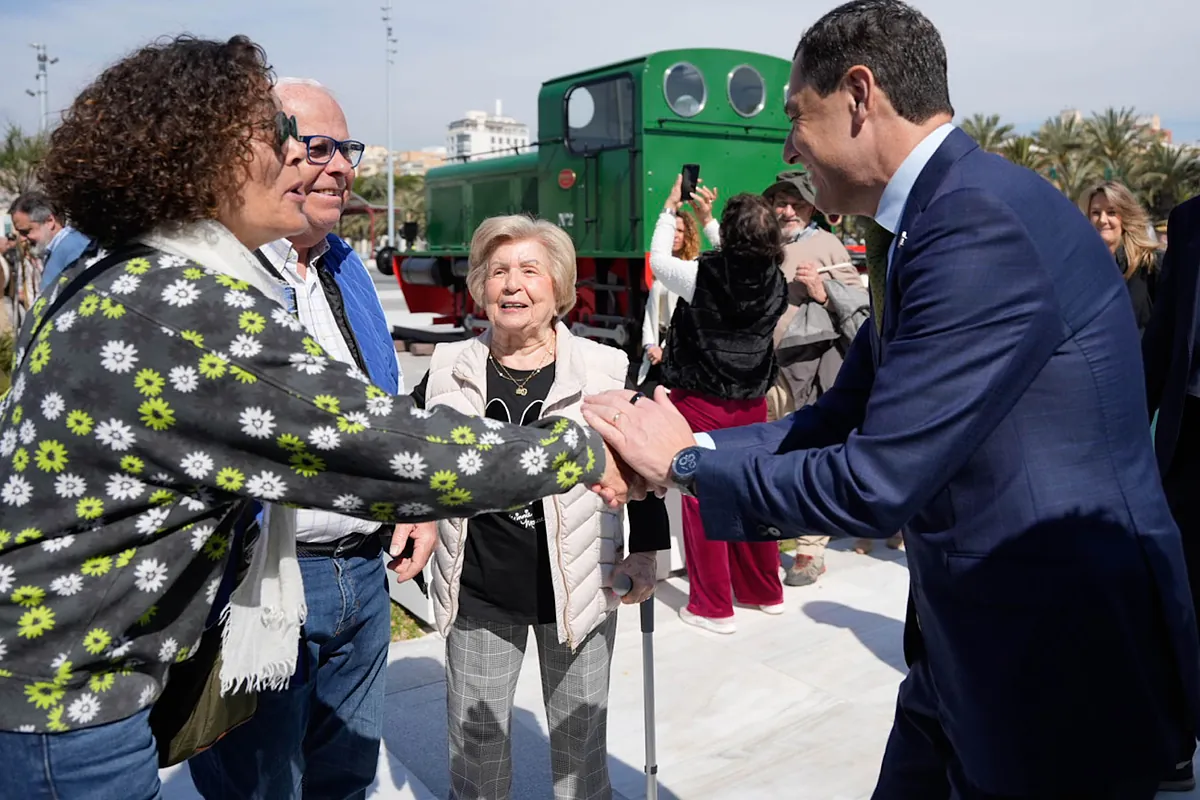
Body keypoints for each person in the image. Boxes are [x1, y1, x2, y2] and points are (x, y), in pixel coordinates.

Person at [583, 2, 1200, 797]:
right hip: (966, 647)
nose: (787, 148)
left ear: (858, 95)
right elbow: (837, 416)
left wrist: (683, 466)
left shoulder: (977, 223)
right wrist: (678, 455)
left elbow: (877, 480)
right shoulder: (931, 222)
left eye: (796, 118)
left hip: (1055, 661)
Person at [0, 35, 632, 800]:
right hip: (64, 707)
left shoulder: (118, 272)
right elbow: (385, 446)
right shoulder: (184, 307)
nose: (296, 157)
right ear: (210, 156)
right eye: (278, 137)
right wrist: (578, 451)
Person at [186, 78, 414, 800]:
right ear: (258, 156)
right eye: (318, 148)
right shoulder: (218, 277)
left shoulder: (346, 267)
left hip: (364, 578)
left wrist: (420, 502)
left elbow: (386, 405)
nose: (342, 167)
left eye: (348, 149)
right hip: (260, 586)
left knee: (345, 778)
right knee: (260, 786)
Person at [406, 214, 665, 800]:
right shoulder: (448, 369)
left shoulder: (605, 369)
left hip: (578, 586)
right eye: (498, 271)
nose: (512, 285)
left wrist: (647, 550)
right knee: (476, 760)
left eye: (529, 270)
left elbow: (642, 470)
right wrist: (412, 511)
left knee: (580, 759)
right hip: (477, 588)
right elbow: (412, 453)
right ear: (479, 285)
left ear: (559, 289)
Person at [646, 177, 787, 634]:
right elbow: (744, 260)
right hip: (751, 405)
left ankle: (712, 606)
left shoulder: (700, 276)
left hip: (703, 402)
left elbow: (659, 263)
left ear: (731, 234)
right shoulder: (776, 282)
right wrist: (707, 223)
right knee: (753, 493)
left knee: (701, 497)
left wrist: (670, 211)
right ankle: (764, 591)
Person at [1143, 192, 1200, 791]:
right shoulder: (1188, 221)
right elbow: (1164, 338)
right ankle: (1176, 741)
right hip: (1191, 440)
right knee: (1181, 596)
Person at [1084, 181, 1161, 333]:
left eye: (1111, 212)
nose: (1102, 220)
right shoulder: (1081, 267)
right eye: (1096, 213)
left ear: (1126, 216)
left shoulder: (1151, 263)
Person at [638, 209, 700, 388]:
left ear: (688, 234)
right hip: (656, 347)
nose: (675, 236)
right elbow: (650, 312)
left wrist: (664, 350)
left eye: (680, 231)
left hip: (678, 350)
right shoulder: (663, 269)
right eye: (672, 230)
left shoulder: (692, 267)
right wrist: (650, 345)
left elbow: (687, 317)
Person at [7, 192, 92, 295]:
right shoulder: (55, 250)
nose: (21, 239)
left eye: (26, 232)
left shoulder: (75, 249)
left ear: (49, 221)